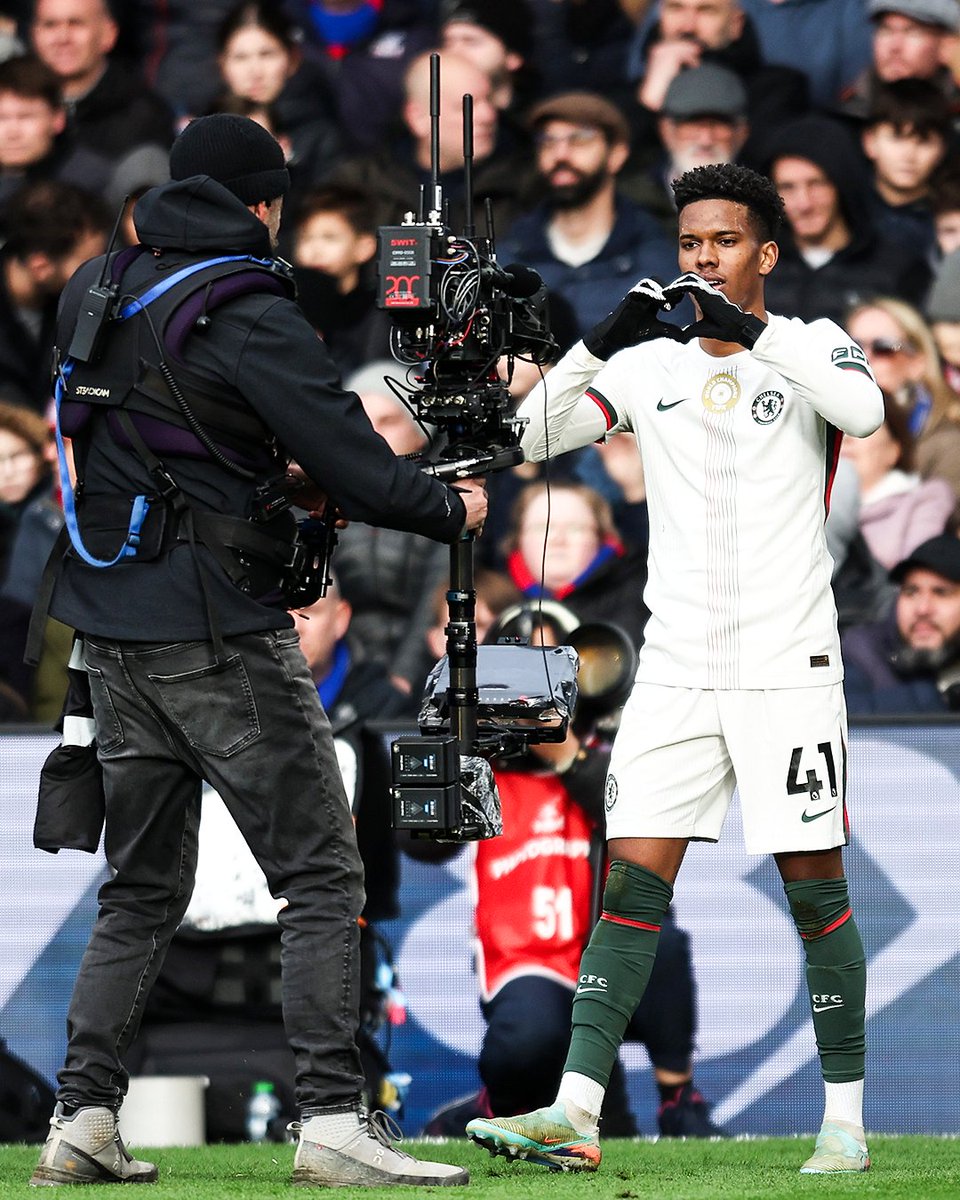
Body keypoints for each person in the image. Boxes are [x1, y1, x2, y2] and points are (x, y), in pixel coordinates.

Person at [29, 112, 485, 1188]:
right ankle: (332, 1121)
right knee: (325, 873)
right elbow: (360, 465)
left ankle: (82, 1121)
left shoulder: (100, 289)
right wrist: (449, 510)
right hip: (218, 631)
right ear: (264, 203)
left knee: (140, 891)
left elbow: (162, 444)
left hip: (105, 628)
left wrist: (258, 481)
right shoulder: (249, 308)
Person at [466, 161, 883, 1175]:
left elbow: (865, 416)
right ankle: (574, 1110)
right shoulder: (647, 369)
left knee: (815, 884)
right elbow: (525, 437)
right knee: (632, 883)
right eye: (691, 243)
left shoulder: (812, 345)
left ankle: (846, 1124)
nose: (704, 258)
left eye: (726, 240)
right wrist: (597, 342)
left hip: (791, 666)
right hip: (678, 666)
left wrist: (755, 333)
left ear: (767, 252)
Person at [420, 599, 722, 1140]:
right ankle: (499, 1101)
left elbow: (636, 813)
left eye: (552, 667)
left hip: (602, 948)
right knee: (524, 1047)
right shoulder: (483, 763)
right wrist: (454, 741)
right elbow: (421, 847)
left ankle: (679, 1098)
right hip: (527, 961)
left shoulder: (611, 751)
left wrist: (566, 752)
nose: (535, 691)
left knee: (666, 945)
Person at [498, 90, 675, 339]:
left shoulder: (657, 259)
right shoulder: (509, 256)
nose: (560, 154)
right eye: (548, 141)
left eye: (579, 139)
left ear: (617, 155)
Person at [764, 114, 931, 323]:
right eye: (787, 187)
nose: (804, 203)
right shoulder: (756, 269)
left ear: (842, 185)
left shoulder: (900, 270)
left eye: (816, 184)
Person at [845, 295, 960, 504]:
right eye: (853, 347)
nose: (865, 357)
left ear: (918, 363)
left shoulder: (949, 445)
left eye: (884, 348)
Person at [843, 532, 960, 712]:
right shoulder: (862, 650)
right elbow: (845, 716)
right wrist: (941, 698)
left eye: (941, 593)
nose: (922, 609)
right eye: (911, 592)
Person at [839, 389, 954, 570]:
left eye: (859, 428)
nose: (845, 439)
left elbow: (917, 575)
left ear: (894, 450)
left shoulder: (923, 500)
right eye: (837, 427)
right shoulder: (805, 501)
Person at [836, 0, 960, 123]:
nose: (895, 46)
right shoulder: (846, 113)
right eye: (886, 29)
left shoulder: (954, 115)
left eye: (913, 32)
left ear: (945, 45)